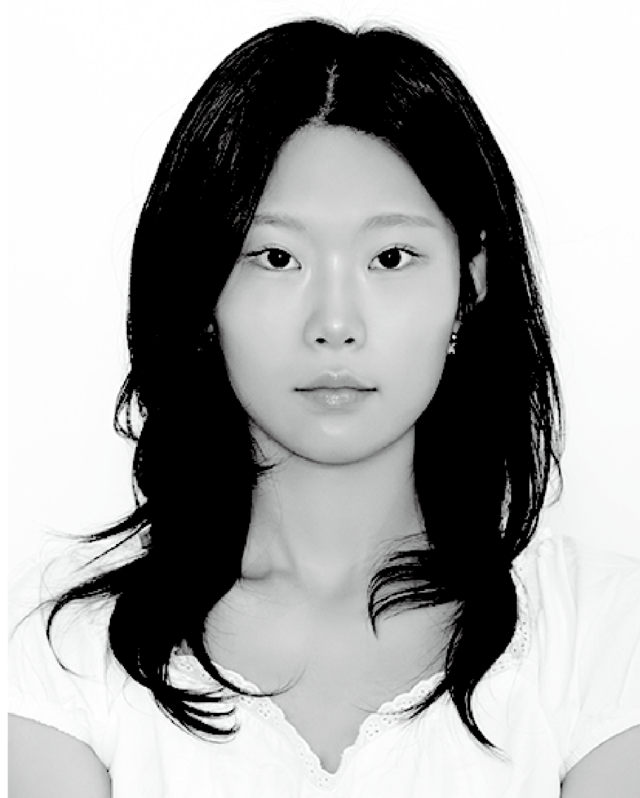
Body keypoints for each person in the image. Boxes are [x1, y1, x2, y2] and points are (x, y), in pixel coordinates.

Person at [8, 17, 640, 798]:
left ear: (469, 284)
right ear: (204, 291)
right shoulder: (63, 647)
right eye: (277, 257)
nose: (334, 322)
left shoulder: (605, 637)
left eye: (391, 258)